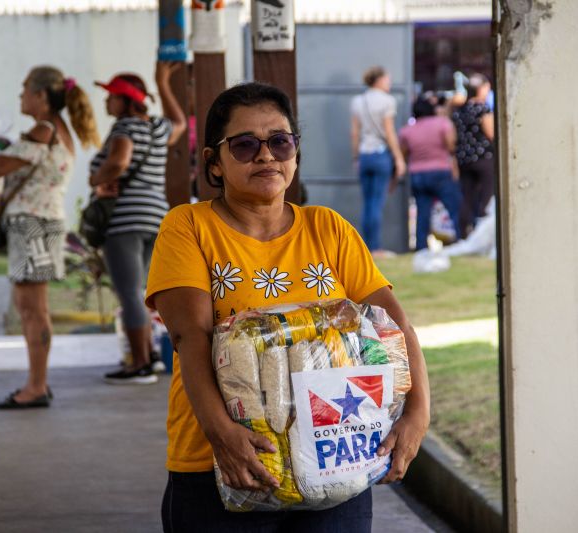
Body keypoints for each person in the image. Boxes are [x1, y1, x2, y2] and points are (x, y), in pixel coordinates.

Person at [145, 82, 430, 532]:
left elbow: (395, 325)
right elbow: (189, 337)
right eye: (244, 145)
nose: (266, 156)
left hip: (336, 462)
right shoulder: (188, 227)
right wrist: (222, 434)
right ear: (214, 163)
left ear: (295, 151)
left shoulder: (328, 228)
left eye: (280, 141)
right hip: (223, 464)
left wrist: (417, 413)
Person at [0, 66, 100, 409]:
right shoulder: (55, 131)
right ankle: (37, 382)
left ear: (42, 96)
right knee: (32, 308)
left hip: (33, 226)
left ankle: (36, 386)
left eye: (24, 89)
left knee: (32, 310)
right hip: (40, 225)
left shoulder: (43, 130)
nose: (20, 96)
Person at [90, 62, 186, 384]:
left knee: (129, 292)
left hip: (125, 219)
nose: (107, 103)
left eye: (111, 97)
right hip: (156, 217)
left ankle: (140, 364)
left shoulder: (125, 128)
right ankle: (151, 357)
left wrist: (97, 179)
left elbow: (119, 161)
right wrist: (163, 82)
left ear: (125, 100)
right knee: (141, 291)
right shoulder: (158, 127)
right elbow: (180, 123)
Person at [350, 66, 407, 256]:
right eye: (387, 79)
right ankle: (375, 248)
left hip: (364, 156)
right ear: (379, 80)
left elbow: (355, 133)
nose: (389, 83)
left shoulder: (358, 101)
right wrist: (399, 158)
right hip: (381, 154)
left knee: (367, 203)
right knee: (377, 203)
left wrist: (356, 156)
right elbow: (389, 132)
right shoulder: (387, 101)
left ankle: (366, 247)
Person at [399, 95, 461, 250]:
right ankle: (459, 240)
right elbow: (451, 145)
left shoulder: (407, 131)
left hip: (417, 174)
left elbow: (404, 152)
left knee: (423, 212)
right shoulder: (442, 123)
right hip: (440, 171)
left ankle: (421, 246)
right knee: (453, 207)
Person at [451, 73, 495, 238]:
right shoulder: (483, 108)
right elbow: (491, 133)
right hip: (483, 158)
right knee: (486, 197)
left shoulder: (460, 110)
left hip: (464, 159)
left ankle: (463, 233)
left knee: (467, 197)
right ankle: (484, 234)